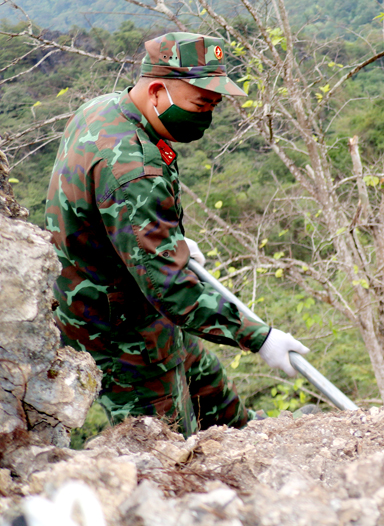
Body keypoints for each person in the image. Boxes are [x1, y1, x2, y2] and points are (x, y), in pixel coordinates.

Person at [45, 32, 309, 437]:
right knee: (172, 452)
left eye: (214, 105)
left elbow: (107, 213)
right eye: (201, 103)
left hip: (137, 300)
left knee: (219, 402)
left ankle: (251, 447)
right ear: (156, 91)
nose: (207, 115)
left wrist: (164, 242)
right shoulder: (134, 170)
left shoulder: (103, 110)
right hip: (120, 333)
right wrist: (261, 338)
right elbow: (171, 291)